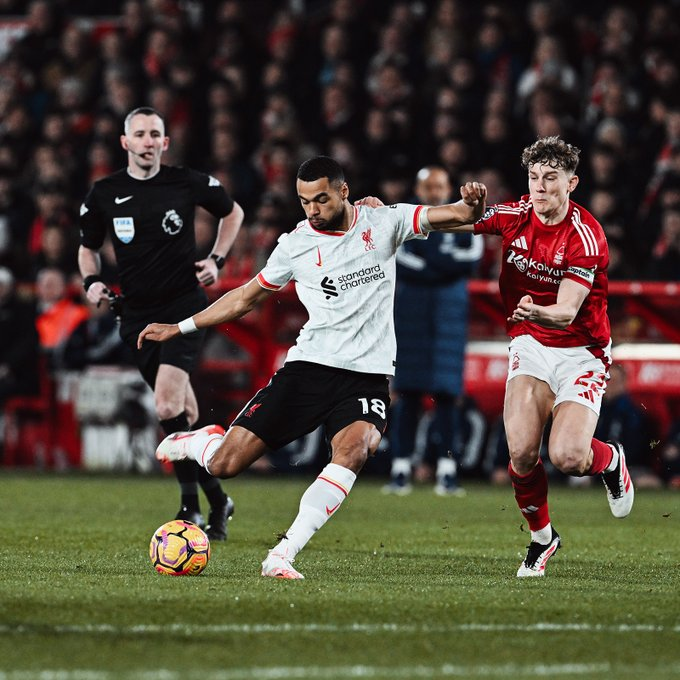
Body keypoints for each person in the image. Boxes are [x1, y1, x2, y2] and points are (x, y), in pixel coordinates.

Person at [137, 155, 487, 579]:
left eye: (321, 199)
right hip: (308, 369)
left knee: (357, 448)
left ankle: (283, 554)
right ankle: (200, 443)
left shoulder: (385, 222)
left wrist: (472, 203)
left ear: (343, 191)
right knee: (225, 465)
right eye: (304, 202)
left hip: (368, 375)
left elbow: (455, 215)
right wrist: (180, 327)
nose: (313, 210)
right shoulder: (296, 244)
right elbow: (245, 298)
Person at [463, 136, 633, 576]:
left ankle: (611, 460)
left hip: (582, 352)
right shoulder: (516, 214)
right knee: (520, 452)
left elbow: (568, 310)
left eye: (551, 178)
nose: (540, 187)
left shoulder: (586, 235)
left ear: (571, 183)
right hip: (531, 343)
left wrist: (538, 309)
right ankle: (542, 539)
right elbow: (457, 220)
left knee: (569, 458)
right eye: (534, 178)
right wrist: (381, 213)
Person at [78, 107, 244, 541]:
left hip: (184, 308)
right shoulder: (104, 192)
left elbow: (234, 213)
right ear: (125, 142)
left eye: (156, 134)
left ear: (165, 143)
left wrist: (216, 260)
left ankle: (189, 508)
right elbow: (87, 248)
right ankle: (218, 499)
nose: (148, 141)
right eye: (141, 134)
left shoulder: (185, 181)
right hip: (134, 316)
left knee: (168, 406)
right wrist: (92, 282)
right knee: (185, 413)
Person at [384, 166, 483, 496]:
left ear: (448, 187)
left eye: (440, 186)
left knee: (447, 395)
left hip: (449, 312)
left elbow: (469, 260)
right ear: (418, 188)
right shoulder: (406, 216)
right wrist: (443, 264)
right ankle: (400, 469)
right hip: (412, 311)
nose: (435, 191)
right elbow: (398, 259)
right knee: (407, 394)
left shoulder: (465, 214)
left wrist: (429, 261)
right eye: (429, 186)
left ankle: (447, 471)